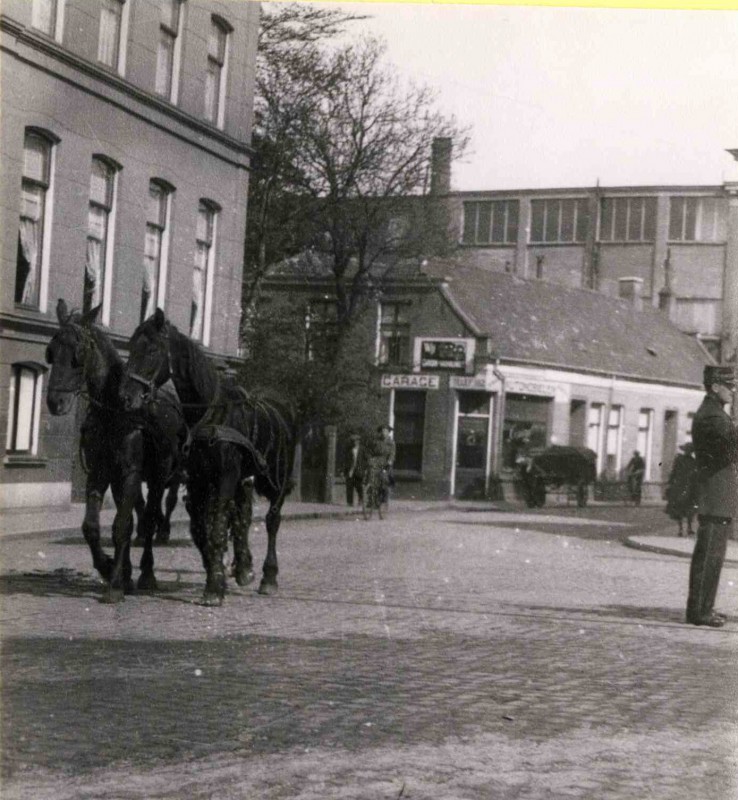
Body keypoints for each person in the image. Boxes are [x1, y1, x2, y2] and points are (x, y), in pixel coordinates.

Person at [686, 365, 738, 628]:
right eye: (729, 386)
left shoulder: (716, 413)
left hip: (718, 494)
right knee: (709, 556)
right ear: (715, 386)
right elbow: (732, 443)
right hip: (714, 495)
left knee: (713, 555)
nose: (733, 390)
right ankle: (699, 611)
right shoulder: (712, 417)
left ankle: (703, 607)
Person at [664, 443, 699, 537]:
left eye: (689, 450)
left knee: (685, 508)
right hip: (684, 487)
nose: (688, 452)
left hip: (683, 486)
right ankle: (684, 528)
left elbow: (674, 472)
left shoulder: (687, 460)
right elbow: (674, 472)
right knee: (683, 508)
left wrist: (670, 483)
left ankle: (685, 528)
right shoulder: (688, 460)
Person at [366, 424, 396, 501]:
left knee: (384, 479)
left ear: (388, 432)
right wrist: (369, 459)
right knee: (371, 478)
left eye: (386, 431)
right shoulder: (375, 441)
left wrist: (389, 462)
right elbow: (370, 451)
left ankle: (383, 498)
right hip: (375, 461)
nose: (384, 433)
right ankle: (370, 498)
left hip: (385, 463)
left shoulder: (391, 443)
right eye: (382, 431)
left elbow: (392, 454)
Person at [343, 433, 363, 507]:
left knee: (359, 486)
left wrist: (364, 469)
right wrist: (345, 471)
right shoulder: (349, 450)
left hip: (359, 471)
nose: (355, 442)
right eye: (353, 441)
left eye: (356, 441)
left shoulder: (362, 450)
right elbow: (346, 461)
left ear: (359, 441)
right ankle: (349, 502)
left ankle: (361, 499)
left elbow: (365, 460)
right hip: (351, 470)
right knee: (349, 486)